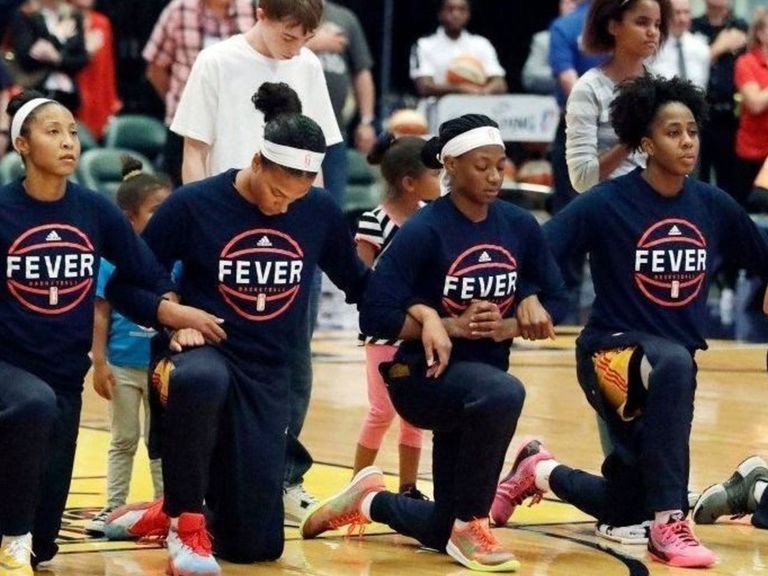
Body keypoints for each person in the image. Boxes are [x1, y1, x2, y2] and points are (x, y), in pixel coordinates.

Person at [491, 74, 768, 568]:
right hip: (609, 356)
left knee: (626, 506)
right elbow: (535, 249)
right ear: (645, 143)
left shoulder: (712, 205)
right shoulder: (606, 201)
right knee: (676, 366)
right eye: (672, 132)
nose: (686, 142)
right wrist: (529, 295)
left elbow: (763, 255)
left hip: (667, 369)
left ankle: (539, 471)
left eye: (692, 131)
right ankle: (669, 524)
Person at [101, 82, 368, 575]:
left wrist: (422, 313)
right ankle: (185, 525)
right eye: (276, 192)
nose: (282, 207)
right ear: (257, 163)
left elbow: (360, 285)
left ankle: (170, 507)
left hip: (268, 373)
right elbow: (125, 286)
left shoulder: (319, 211)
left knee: (256, 547)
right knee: (204, 379)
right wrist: (171, 313)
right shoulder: (194, 204)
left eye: (296, 198)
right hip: (197, 355)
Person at [300, 113, 566, 573]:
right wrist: (442, 322)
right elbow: (374, 313)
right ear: (451, 167)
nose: (494, 175)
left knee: (441, 524)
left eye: (500, 165)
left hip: (477, 391)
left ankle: (372, 501)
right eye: (481, 165)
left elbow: (557, 296)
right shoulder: (426, 229)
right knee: (506, 392)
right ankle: (471, 527)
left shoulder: (519, 225)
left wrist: (527, 307)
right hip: (421, 380)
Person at [0, 90, 224, 575]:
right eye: (52, 132)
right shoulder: (3, 209)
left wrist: (172, 310)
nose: (67, 143)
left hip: (65, 375)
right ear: (21, 143)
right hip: (9, 365)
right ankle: (11, 537)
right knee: (30, 405)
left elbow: (146, 270)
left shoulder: (94, 211)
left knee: (45, 547)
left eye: (73, 133)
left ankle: (26, 538)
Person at [168, 0, 341, 526]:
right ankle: (206, 486)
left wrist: (318, 231)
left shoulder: (307, 66)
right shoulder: (216, 61)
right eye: (289, 34)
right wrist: (198, 225)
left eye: (306, 37)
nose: (297, 45)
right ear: (261, 14)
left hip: (289, 237)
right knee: (214, 365)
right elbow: (195, 150)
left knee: (294, 366)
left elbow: (320, 159)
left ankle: (284, 477)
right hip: (227, 237)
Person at [83, 157, 170, 535]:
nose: (164, 218)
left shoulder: (171, 259)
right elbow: (100, 314)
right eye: (155, 211)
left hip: (160, 368)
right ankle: (113, 508)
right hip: (122, 366)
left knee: (160, 443)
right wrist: (98, 363)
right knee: (123, 439)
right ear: (128, 217)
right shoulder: (109, 262)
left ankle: (167, 508)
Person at [351, 134, 440, 498]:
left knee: (414, 414)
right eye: (434, 174)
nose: (441, 181)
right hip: (385, 335)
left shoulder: (431, 220)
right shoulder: (374, 222)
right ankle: (356, 486)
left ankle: (408, 488)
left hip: (418, 334)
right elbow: (361, 280)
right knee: (381, 410)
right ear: (409, 182)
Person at [142, 0, 257, 186]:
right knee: (183, 193)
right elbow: (155, 67)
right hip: (184, 125)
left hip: (237, 123)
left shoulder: (251, 8)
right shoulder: (178, 9)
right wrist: (182, 103)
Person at [566, 0, 671, 194]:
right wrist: (630, 139)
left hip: (658, 206)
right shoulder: (588, 88)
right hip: (610, 207)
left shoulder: (661, 85)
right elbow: (581, 180)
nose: (653, 32)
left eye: (657, 24)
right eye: (642, 22)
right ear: (613, 26)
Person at [691, 0, 747, 200]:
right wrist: (719, 48)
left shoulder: (740, 26)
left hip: (731, 116)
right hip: (698, 114)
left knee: (730, 181)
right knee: (696, 178)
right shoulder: (692, 26)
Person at [409, 0, 507, 97]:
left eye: (462, 9)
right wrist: (459, 89)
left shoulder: (482, 44)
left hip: (475, 107)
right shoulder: (424, 45)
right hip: (436, 108)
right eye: (450, 9)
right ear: (440, 13)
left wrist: (483, 92)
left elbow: (500, 83)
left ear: (469, 14)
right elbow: (424, 87)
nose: (456, 15)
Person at [8, 0, 88, 111]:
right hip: (35, 90)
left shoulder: (72, 15)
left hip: (67, 94)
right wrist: (57, 36)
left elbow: (81, 59)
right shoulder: (27, 14)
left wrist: (58, 59)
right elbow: (25, 57)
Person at [68, 0, 121, 140]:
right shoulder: (61, 19)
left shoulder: (102, 23)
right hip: (70, 95)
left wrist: (112, 102)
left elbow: (108, 69)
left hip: (97, 94)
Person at [732, 8, 768, 207]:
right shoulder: (746, 63)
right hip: (752, 153)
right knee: (749, 213)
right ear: (761, 33)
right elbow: (754, 103)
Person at [649, 0, 710, 90]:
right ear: (665, 14)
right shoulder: (653, 46)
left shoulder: (701, 47)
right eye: (677, 12)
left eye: (686, 12)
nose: (682, 18)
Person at [521, 0, 578, 95]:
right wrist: (566, 74)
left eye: (576, 3)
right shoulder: (544, 40)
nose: (572, 7)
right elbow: (530, 76)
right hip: (555, 100)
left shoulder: (602, 40)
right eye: (567, 2)